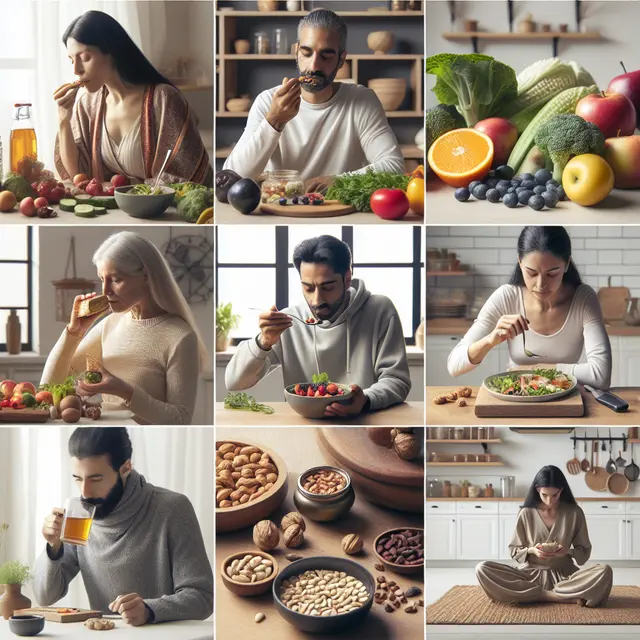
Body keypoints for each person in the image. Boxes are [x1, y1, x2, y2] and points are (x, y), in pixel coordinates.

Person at [33, 428, 213, 625]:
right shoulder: (80, 516)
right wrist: (53, 546)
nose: (85, 492)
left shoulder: (172, 508)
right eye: (78, 478)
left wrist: (149, 610)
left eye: (96, 479)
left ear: (126, 467)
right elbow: (45, 597)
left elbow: (203, 597)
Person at [225, 235, 411, 417]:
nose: (316, 300)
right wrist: (263, 342)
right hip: (303, 427)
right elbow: (234, 383)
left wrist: (366, 400)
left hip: (364, 423)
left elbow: (397, 380)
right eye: (308, 288)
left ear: (347, 278)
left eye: (327, 287)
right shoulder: (289, 321)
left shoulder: (380, 310)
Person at [222, 8, 404, 192]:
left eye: (326, 56)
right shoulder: (268, 101)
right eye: (307, 53)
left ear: (341, 59)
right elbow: (233, 177)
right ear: (296, 52)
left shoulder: (362, 101)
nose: (314, 65)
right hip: (280, 209)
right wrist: (274, 121)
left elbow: (394, 167)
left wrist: (339, 181)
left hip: (339, 212)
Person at [41, 231, 209, 425]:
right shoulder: (110, 324)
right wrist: (74, 331)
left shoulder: (180, 337)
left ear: (146, 277)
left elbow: (181, 419)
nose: (105, 291)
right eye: (102, 279)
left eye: (116, 280)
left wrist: (124, 391)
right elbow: (49, 386)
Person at [54, 10, 212, 186]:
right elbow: (76, 176)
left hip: (163, 210)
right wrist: (63, 119)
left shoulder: (163, 100)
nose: (76, 70)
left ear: (111, 52)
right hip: (109, 212)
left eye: (84, 58)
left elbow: (191, 179)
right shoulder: (87, 105)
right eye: (71, 60)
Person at [447, 226, 612, 388]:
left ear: (567, 264)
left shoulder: (583, 298)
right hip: (517, 398)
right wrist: (490, 340)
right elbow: (454, 365)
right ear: (520, 262)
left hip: (566, 400)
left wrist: (540, 370)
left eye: (552, 274)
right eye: (532, 273)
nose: (541, 285)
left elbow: (601, 375)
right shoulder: (507, 297)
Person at [476, 465, 613, 607]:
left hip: (566, 576)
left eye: (555, 495)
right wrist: (531, 550)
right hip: (529, 575)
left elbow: (583, 551)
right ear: (537, 490)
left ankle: (533, 596)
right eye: (544, 495)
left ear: (562, 490)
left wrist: (568, 551)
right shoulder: (526, 512)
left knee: (605, 571)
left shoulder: (574, 512)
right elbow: (515, 551)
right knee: (482, 568)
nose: (549, 500)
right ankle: (556, 597)